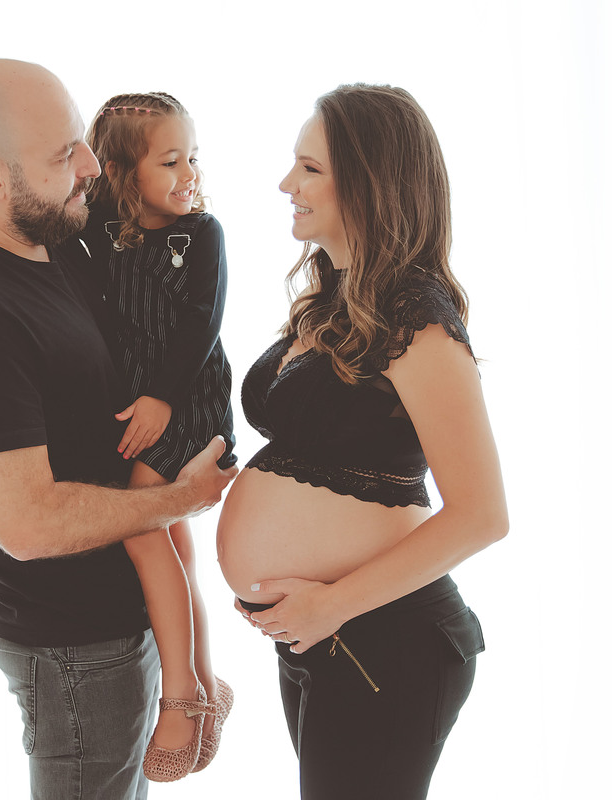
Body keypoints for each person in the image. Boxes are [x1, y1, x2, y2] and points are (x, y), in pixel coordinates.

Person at [0, 59, 237, 800]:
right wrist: (179, 500)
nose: (91, 166)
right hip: (75, 646)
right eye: (66, 152)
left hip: (117, 620)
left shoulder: (53, 231)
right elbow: (27, 524)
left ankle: (197, 685)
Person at [217, 84, 509, 799]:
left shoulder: (418, 318)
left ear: (370, 184)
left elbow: (482, 515)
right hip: (325, 634)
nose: (287, 184)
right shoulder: (336, 298)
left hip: (386, 639)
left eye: (310, 168)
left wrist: (331, 604)